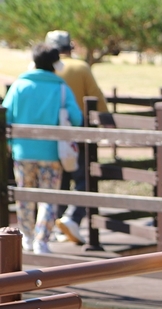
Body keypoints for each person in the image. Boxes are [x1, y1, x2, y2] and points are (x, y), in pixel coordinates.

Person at [2, 44, 83, 254]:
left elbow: (6, 115)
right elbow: (76, 118)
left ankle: (26, 237)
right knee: (48, 197)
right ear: (57, 63)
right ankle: (42, 240)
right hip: (52, 152)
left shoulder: (20, 85)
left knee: (24, 196)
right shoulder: (61, 87)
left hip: (23, 152)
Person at [45, 30, 108, 245]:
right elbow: (97, 99)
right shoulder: (80, 67)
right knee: (84, 178)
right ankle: (72, 217)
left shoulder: (43, 69)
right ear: (69, 47)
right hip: (77, 133)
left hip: (49, 136)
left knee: (58, 180)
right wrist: (107, 123)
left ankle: (56, 222)